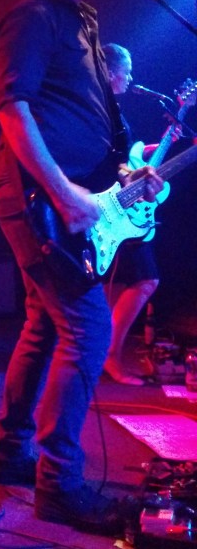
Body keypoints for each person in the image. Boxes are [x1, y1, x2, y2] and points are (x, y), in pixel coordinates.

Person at [0, 0, 164, 534]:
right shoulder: (33, 18)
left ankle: (11, 453)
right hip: (40, 203)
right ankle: (59, 484)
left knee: (43, 325)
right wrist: (63, 194)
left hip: (74, 199)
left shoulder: (82, 23)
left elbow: (92, 119)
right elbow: (14, 109)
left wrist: (125, 175)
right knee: (87, 331)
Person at [102, 43, 161, 385]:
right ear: (111, 73)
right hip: (116, 209)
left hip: (120, 209)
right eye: (127, 71)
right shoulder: (104, 111)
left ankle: (102, 353)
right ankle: (109, 356)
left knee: (119, 283)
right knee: (145, 280)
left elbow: (126, 157)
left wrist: (151, 151)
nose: (131, 78)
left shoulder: (113, 112)